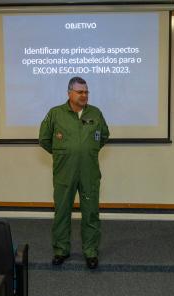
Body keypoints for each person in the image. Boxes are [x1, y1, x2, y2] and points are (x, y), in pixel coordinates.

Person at [39, 76, 110, 269]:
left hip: (89, 172)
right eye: (80, 92)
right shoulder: (56, 113)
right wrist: (64, 154)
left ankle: (91, 251)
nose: (84, 95)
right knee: (62, 212)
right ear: (69, 93)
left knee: (91, 213)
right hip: (64, 173)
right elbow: (44, 139)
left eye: (86, 92)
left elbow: (103, 136)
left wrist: (85, 151)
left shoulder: (96, 113)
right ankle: (61, 250)